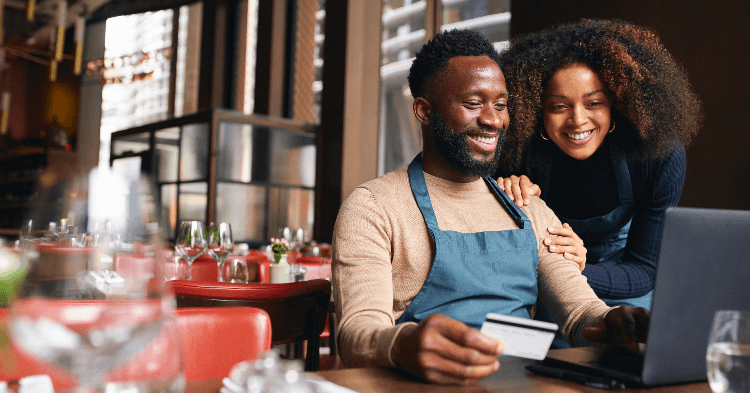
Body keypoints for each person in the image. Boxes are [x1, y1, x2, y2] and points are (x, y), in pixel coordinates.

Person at [332, 29, 649, 386]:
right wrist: (403, 343)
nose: (493, 119)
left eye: (500, 105)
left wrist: (615, 323)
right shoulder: (374, 207)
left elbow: (579, 315)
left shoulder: (526, 206)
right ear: (424, 110)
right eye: (473, 103)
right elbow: (356, 334)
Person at [494, 20, 702, 321]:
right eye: (559, 106)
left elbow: (644, 271)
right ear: (536, 110)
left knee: (630, 346)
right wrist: (505, 193)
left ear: (614, 104)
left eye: (594, 103)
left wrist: (581, 266)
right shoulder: (517, 154)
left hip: (625, 279)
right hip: (548, 276)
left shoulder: (656, 156)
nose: (578, 120)